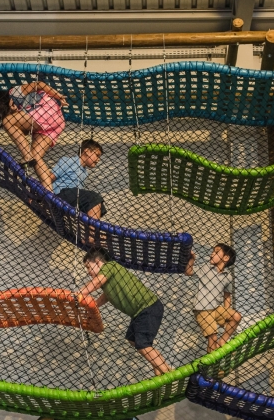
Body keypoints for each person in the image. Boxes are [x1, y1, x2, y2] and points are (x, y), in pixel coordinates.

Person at [77, 247, 170, 376]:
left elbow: (96, 283)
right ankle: (160, 369)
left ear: (98, 261)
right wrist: (94, 305)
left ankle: (168, 374)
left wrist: (77, 294)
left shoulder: (110, 266)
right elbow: (107, 296)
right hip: (139, 313)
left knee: (142, 344)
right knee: (133, 340)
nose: (88, 272)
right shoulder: (109, 280)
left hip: (148, 307)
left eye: (88, 267)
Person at [0, 81, 68, 191]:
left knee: (7, 121)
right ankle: (49, 193)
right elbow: (23, 132)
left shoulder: (14, 92)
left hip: (46, 111)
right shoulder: (20, 109)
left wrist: (57, 95)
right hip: (56, 122)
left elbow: (39, 84)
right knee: (36, 157)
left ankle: (27, 156)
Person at [185, 244, 241, 353]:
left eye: (216, 252)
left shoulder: (228, 277)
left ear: (225, 258)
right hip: (202, 309)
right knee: (213, 338)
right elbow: (188, 271)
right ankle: (213, 368)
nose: (212, 254)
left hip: (216, 308)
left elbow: (227, 296)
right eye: (212, 251)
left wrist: (226, 312)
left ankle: (223, 342)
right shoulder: (206, 268)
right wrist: (192, 259)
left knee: (236, 316)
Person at [51, 139, 105, 220]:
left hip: (72, 200)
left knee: (100, 206)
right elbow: (50, 177)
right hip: (60, 195)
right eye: (97, 155)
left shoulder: (84, 173)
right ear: (86, 151)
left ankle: (93, 230)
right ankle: (93, 231)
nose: (98, 159)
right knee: (94, 198)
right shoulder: (69, 161)